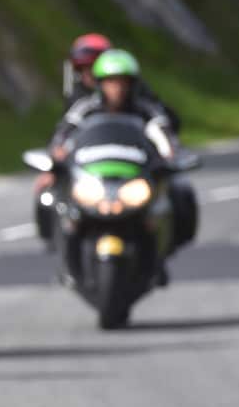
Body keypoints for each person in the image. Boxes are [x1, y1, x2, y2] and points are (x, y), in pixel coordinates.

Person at [45, 49, 197, 283]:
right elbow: (63, 136)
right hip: (96, 177)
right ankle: (67, 263)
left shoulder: (146, 110)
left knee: (175, 197)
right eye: (111, 82)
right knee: (63, 206)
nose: (117, 88)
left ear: (132, 84)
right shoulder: (85, 109)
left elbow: (165, 138)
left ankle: (160, 257)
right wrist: (57, 156)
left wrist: (171, 156)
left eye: (123, 82)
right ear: (100, 84)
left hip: (134, 177)